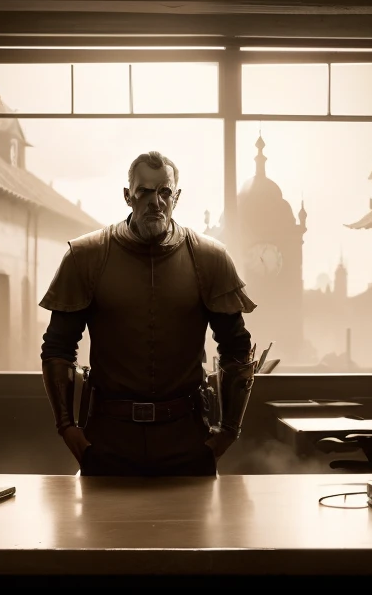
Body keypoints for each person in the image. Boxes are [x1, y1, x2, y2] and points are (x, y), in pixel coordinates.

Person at [38, 151, 258, 476]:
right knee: (105, 528)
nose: (156, 201)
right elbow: (58, 347)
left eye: (165, 191)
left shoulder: (209, 258)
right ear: (128, 196)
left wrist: (227, 433)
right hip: (108, 438)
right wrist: (68, 429)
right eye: (144, 191)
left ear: (176, 197)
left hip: (187, 437)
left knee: (190, 527)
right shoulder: (86, 256)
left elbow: (236, 348)